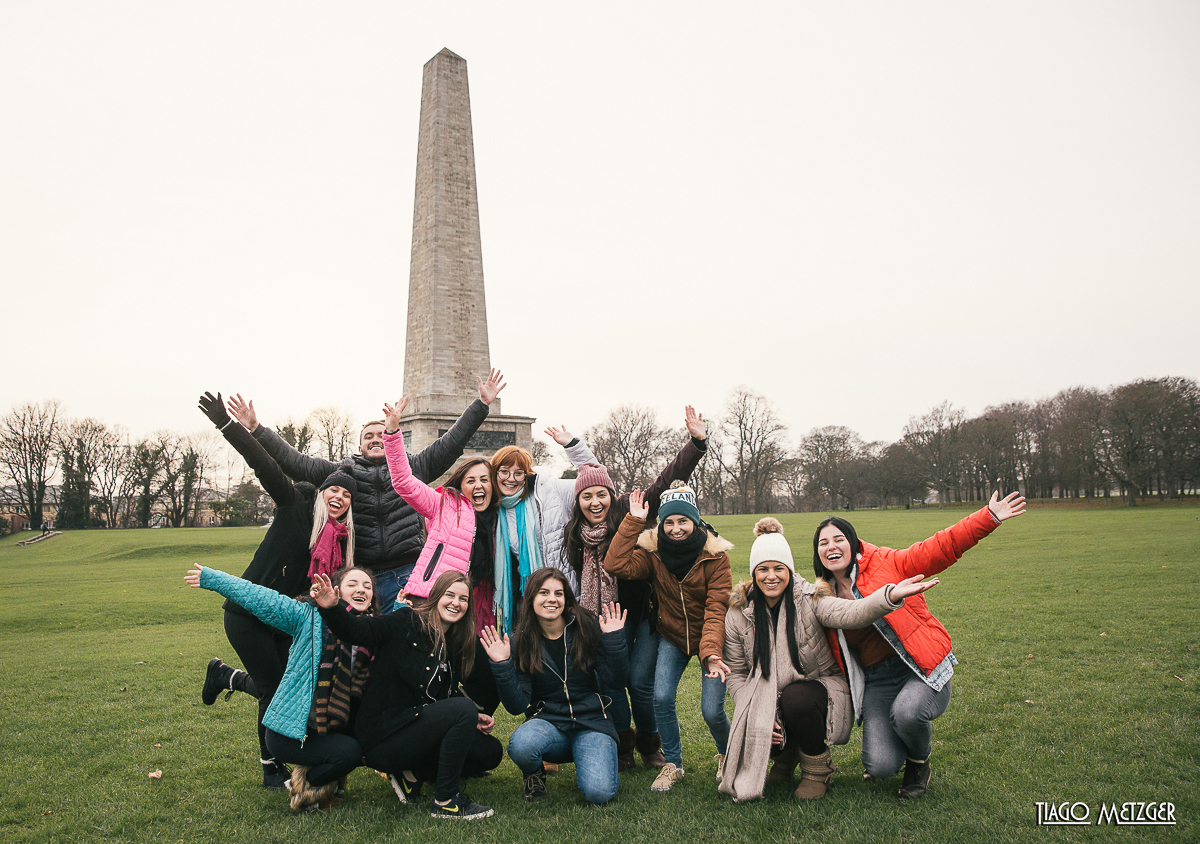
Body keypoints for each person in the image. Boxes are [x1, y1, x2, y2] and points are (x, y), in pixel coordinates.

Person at [225, 369, 506, 610]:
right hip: (365, 574)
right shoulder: (341, 473)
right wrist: (256, 429)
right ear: (360, 446)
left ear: (390, 436)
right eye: (367, 436)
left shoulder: (414, 467)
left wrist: (481, 404)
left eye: (380, 433)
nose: (375, 439)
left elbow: (451, 443)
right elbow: (294, 462)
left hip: (412, 568)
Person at [814, 490, 1026, 798]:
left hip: (919, 669)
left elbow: (939, 547)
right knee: (880, 766)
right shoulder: (823, 596)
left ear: (853, 543)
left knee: (908, 713)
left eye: (838, 539)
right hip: (877, 680)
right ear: (817, 553)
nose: (831, 546)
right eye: (823, 543)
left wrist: (988, 517)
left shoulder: (887, 562)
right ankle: (898, 739)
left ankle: (918, 760)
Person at [196, 391, 356, 789]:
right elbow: (264, 464)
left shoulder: (342, 541)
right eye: (333, 490)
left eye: (347, 494)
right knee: (273, 687)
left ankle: (224, 676)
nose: (338, 497)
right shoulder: (293, 508)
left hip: (288, 622)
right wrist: (228, 423)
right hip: (248, 614)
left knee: (286, 682)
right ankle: (270, 765)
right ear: (321, 494)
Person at [720, 518, 939, 803]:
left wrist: (889, 596)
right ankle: (785, 759)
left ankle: (816, 769)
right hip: (763, 692)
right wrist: (756, 709)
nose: (770, 577)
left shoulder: (810, 598)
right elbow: (736, 672)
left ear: (789, 570)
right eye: (763, 569)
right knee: (759, 720)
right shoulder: (739, 613)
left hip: (816, 688)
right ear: (753, 573)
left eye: (778, 569)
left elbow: (853, 612)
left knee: (796, 700)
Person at [560, 406, 710, 770]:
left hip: (641, 614)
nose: (595, 502)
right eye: (586, 497)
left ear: (612, 495)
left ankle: (650, 745)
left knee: (639, 683)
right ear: (578, 502)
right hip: (598, 618)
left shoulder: (632, 511)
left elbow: (664, 480)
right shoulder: (574, 535)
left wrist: (696, 443)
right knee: (611, 684)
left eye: (601, 494)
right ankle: (622, 745)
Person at [311, 569, 503, 821]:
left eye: (463, 599)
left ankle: (412, 775)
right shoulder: (406, 620)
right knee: (463, 709)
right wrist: (331, 608)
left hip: (415, 729)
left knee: (490, 751)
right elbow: (359, 630)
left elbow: (437, 693)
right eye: (449, 595)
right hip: (384, 735)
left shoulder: (453, 642)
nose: (456, 603)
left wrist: (470, 718)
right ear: (435, 597)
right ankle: (446, 801)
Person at [185, 564, 377, 811]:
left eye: (368, 586)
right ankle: (305, 785)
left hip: (329, 728)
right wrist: (214, 579)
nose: (361, 589)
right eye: (353, 584)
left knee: (365, 741)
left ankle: (331, 775)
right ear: (336, 590)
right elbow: (261, 598)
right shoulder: (308, 618)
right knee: (350, 753)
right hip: (289, 734)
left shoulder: (372, 631)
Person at [603, 482, 732, 792]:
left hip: (708, 638)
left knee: (712, 710)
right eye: (669, 522)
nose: (676, 529)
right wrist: (634, 520)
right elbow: (615, 564)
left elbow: (717, 608)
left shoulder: (715, 557)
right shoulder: (653, 553)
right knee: (661, 698)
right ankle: (673, 763)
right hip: (671, 635)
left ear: (696, 521)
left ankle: (730, 755)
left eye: (683, 521)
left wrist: (712, 652)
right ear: (661, 523)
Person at [480, 568, 628, 804]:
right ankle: (534, 771)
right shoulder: (522, 639)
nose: (552, 599)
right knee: (521, 746)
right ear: (531, 598)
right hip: (549, 722)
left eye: (558, 593)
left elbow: (615, 682)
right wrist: (503, 665)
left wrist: (614, 640)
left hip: (591, 722)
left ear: (566, 599)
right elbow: (517, 705)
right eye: (544, 592)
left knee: (599, 793)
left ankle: (589, 752)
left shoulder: (586, 627)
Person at [485, 428, 596, 635]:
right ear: (495, 473)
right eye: (504, 471)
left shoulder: (551, 491)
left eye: (519, 473)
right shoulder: (494, 509)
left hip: (563, 592)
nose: (511, 478)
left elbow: (596, 481)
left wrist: (573, 446)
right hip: (526, 598)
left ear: (527, 475)